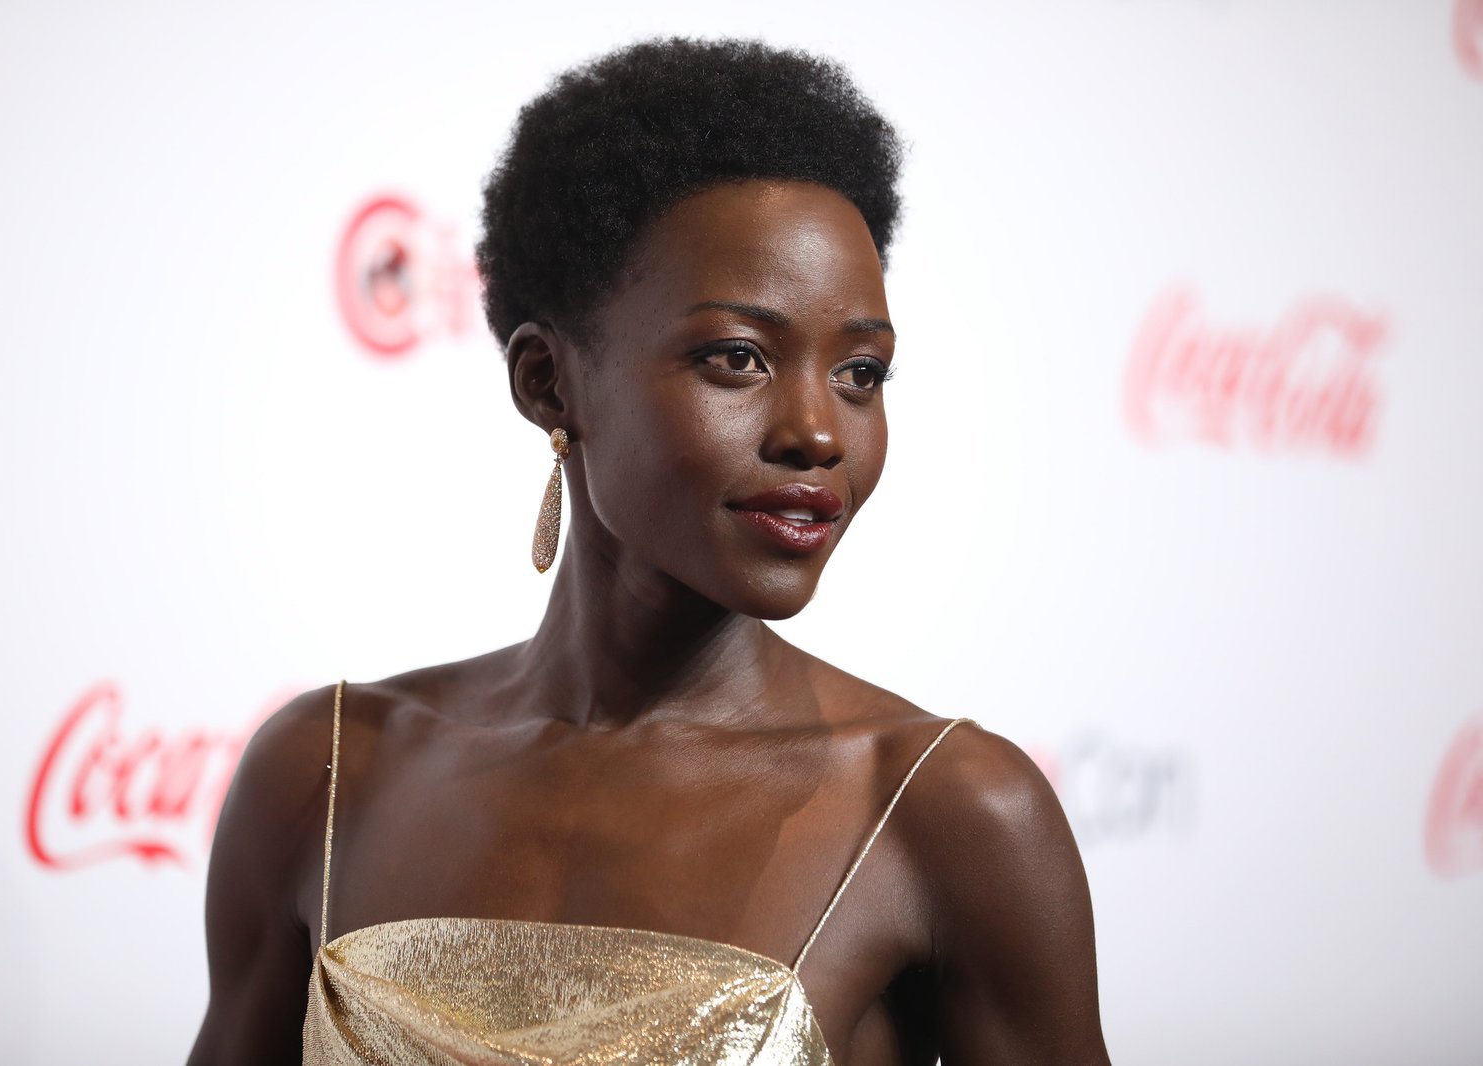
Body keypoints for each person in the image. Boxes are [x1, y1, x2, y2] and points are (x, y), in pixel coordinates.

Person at [189, 37, 1110, 1066]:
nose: (817, 429)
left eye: (860, 371)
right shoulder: (322, 772)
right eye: (738, 358)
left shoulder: (949, 810)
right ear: (548, 383)